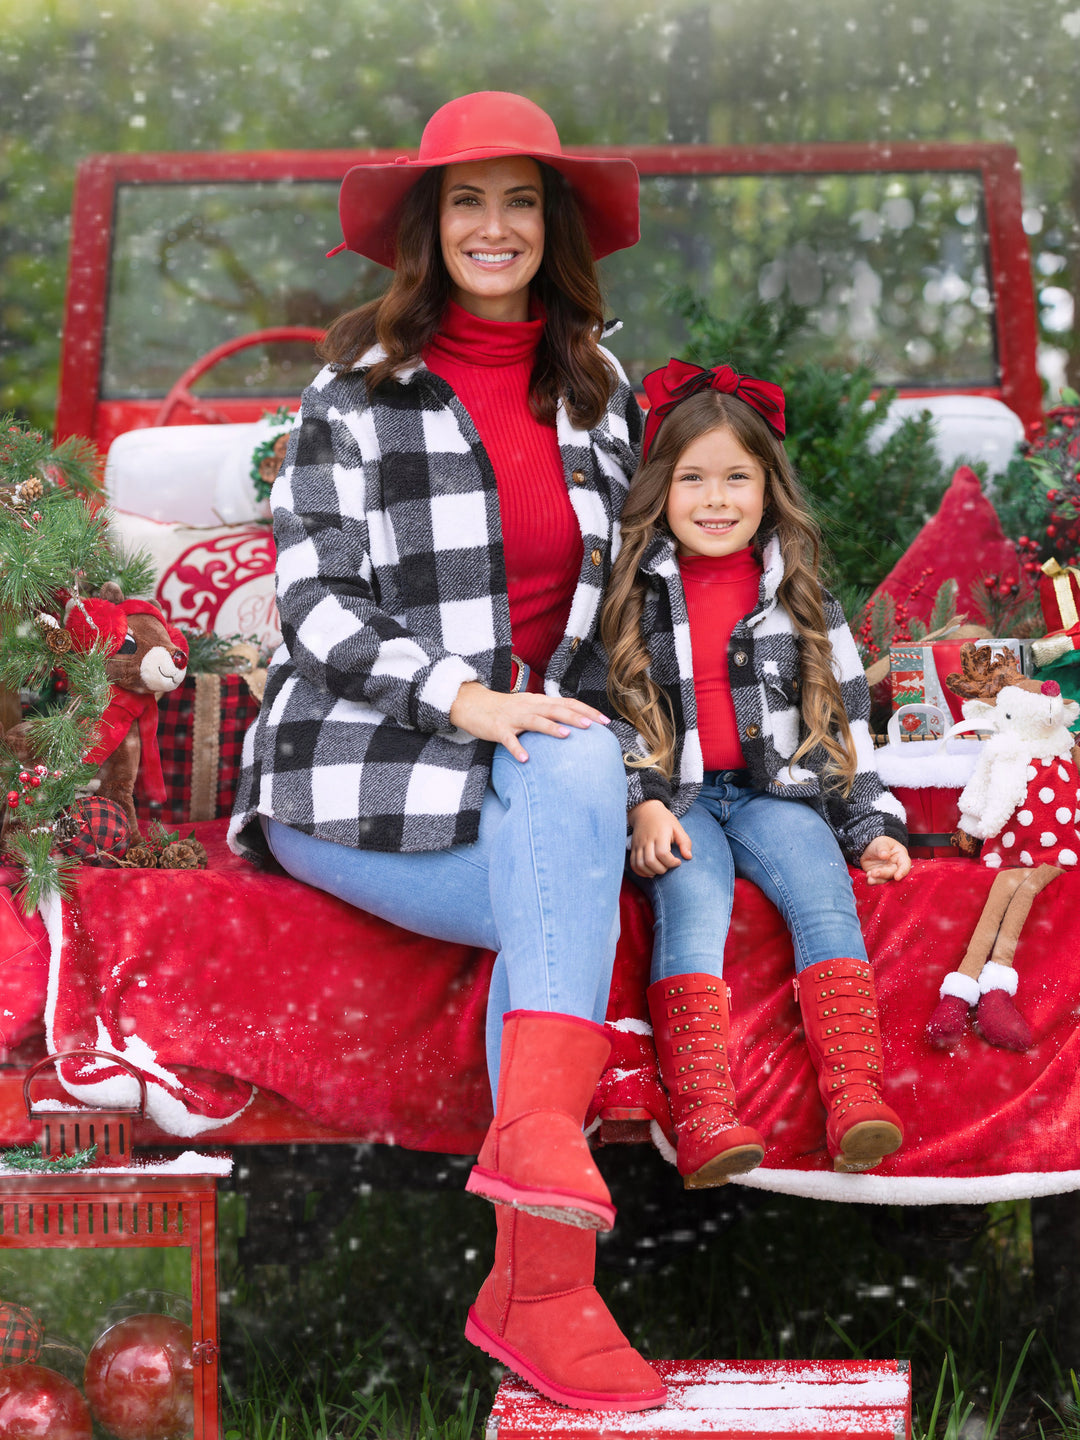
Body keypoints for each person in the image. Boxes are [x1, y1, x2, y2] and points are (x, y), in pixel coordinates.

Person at [228, 92, 667, 1412]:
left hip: (544, 772)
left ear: (554, 229)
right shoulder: (350, 395)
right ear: (430, 229)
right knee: (567, 888)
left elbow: (626, 626)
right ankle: (541, 1282)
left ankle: (538, 1217)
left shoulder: (602, 399)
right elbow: (312, 599)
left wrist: (644, 783)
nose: (494, 227)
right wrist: (466, 700)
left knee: (581, 771)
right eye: (467, 201)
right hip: (358, 769)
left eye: (520, 202)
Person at [593, 357, 911, 1189]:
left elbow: (842, 727)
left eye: (738, 477)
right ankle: (703, 1115)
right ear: (659, 488)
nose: (716, 500)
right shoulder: (631, 597)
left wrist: (871, 826)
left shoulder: (802, 600)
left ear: (769, 489)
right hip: (683, 799)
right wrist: (642, 805)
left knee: (821, 888)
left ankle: (855, 1099)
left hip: (776, 795)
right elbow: (611, 714)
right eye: (693, 478)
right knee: (693, 901)